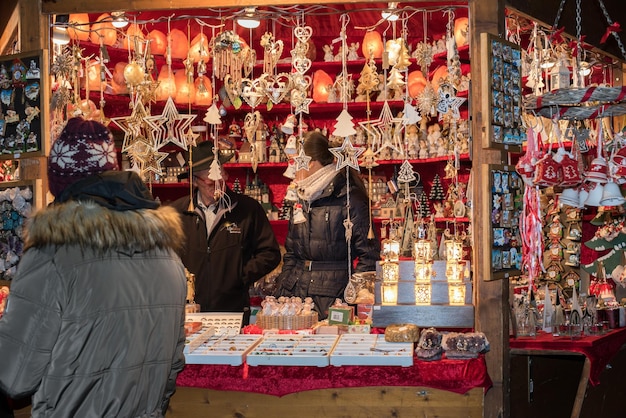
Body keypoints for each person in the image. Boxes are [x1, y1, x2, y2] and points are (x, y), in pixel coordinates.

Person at [0, 117, 188, 417]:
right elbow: (172, 366)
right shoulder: (167, 255)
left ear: (60, 188)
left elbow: (14, 376)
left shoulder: (52, 254)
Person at [171, 140, 281, 325]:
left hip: (233, 309)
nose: (217, 186)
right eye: (210, 182)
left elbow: (270, 253)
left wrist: (238, 276)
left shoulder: (247, 208)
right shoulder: (176, 212)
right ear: (194, 181)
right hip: (188, 311)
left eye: (221, 179)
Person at [274, 131, 380, 319]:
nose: (293, 168)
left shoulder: (348, 197)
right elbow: (291, 252)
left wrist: (352, 295)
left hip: (333, 296)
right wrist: (284, 285)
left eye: (297, 161)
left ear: (312, 162)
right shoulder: (301, 196)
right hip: (296, 294)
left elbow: (368, 255)